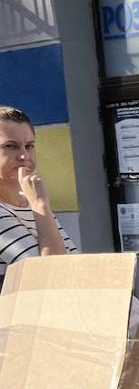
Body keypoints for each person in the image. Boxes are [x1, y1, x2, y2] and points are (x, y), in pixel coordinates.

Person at [0, 106, 76, 285]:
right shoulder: (36, 203)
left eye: (29, 146)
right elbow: (50, 277)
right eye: (11, 146)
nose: (24, 155)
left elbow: (73, 262)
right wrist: (40, 205)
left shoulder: (30, 202)